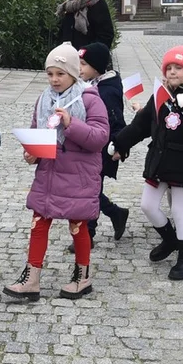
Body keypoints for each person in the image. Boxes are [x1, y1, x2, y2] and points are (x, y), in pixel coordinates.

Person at [5, 45, 110, 301]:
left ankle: (82, 276)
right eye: (50, 73)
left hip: (78, 175)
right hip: (49, 173)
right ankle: (32, 278)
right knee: (38, 224)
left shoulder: (90, 98)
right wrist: (31, 153)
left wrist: (70, 123)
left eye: (60, 73)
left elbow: (100, 138)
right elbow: (36, 131)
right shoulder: (44, 100)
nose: (54, 79)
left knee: (78, 224)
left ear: (74, 73)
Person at [112, 47, 183, 281]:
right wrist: (121, 144)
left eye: (178, 68)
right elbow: (142, 124)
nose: (172, 72)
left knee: (179, 210)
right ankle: (170, 239)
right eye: (169, 67)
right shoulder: (161, 94)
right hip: (160, 160)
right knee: (148, 205)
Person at [78, 43, 129, 243]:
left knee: (90, 192)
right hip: (90, 145)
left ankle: (88, 235)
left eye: (83, 64)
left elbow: (118, 122)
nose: (79, 68)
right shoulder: (92, 84)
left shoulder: (107, 91)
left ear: (97, 66)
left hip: (103, 149)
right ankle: (115, 213)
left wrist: (120, 146)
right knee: (90, 191)